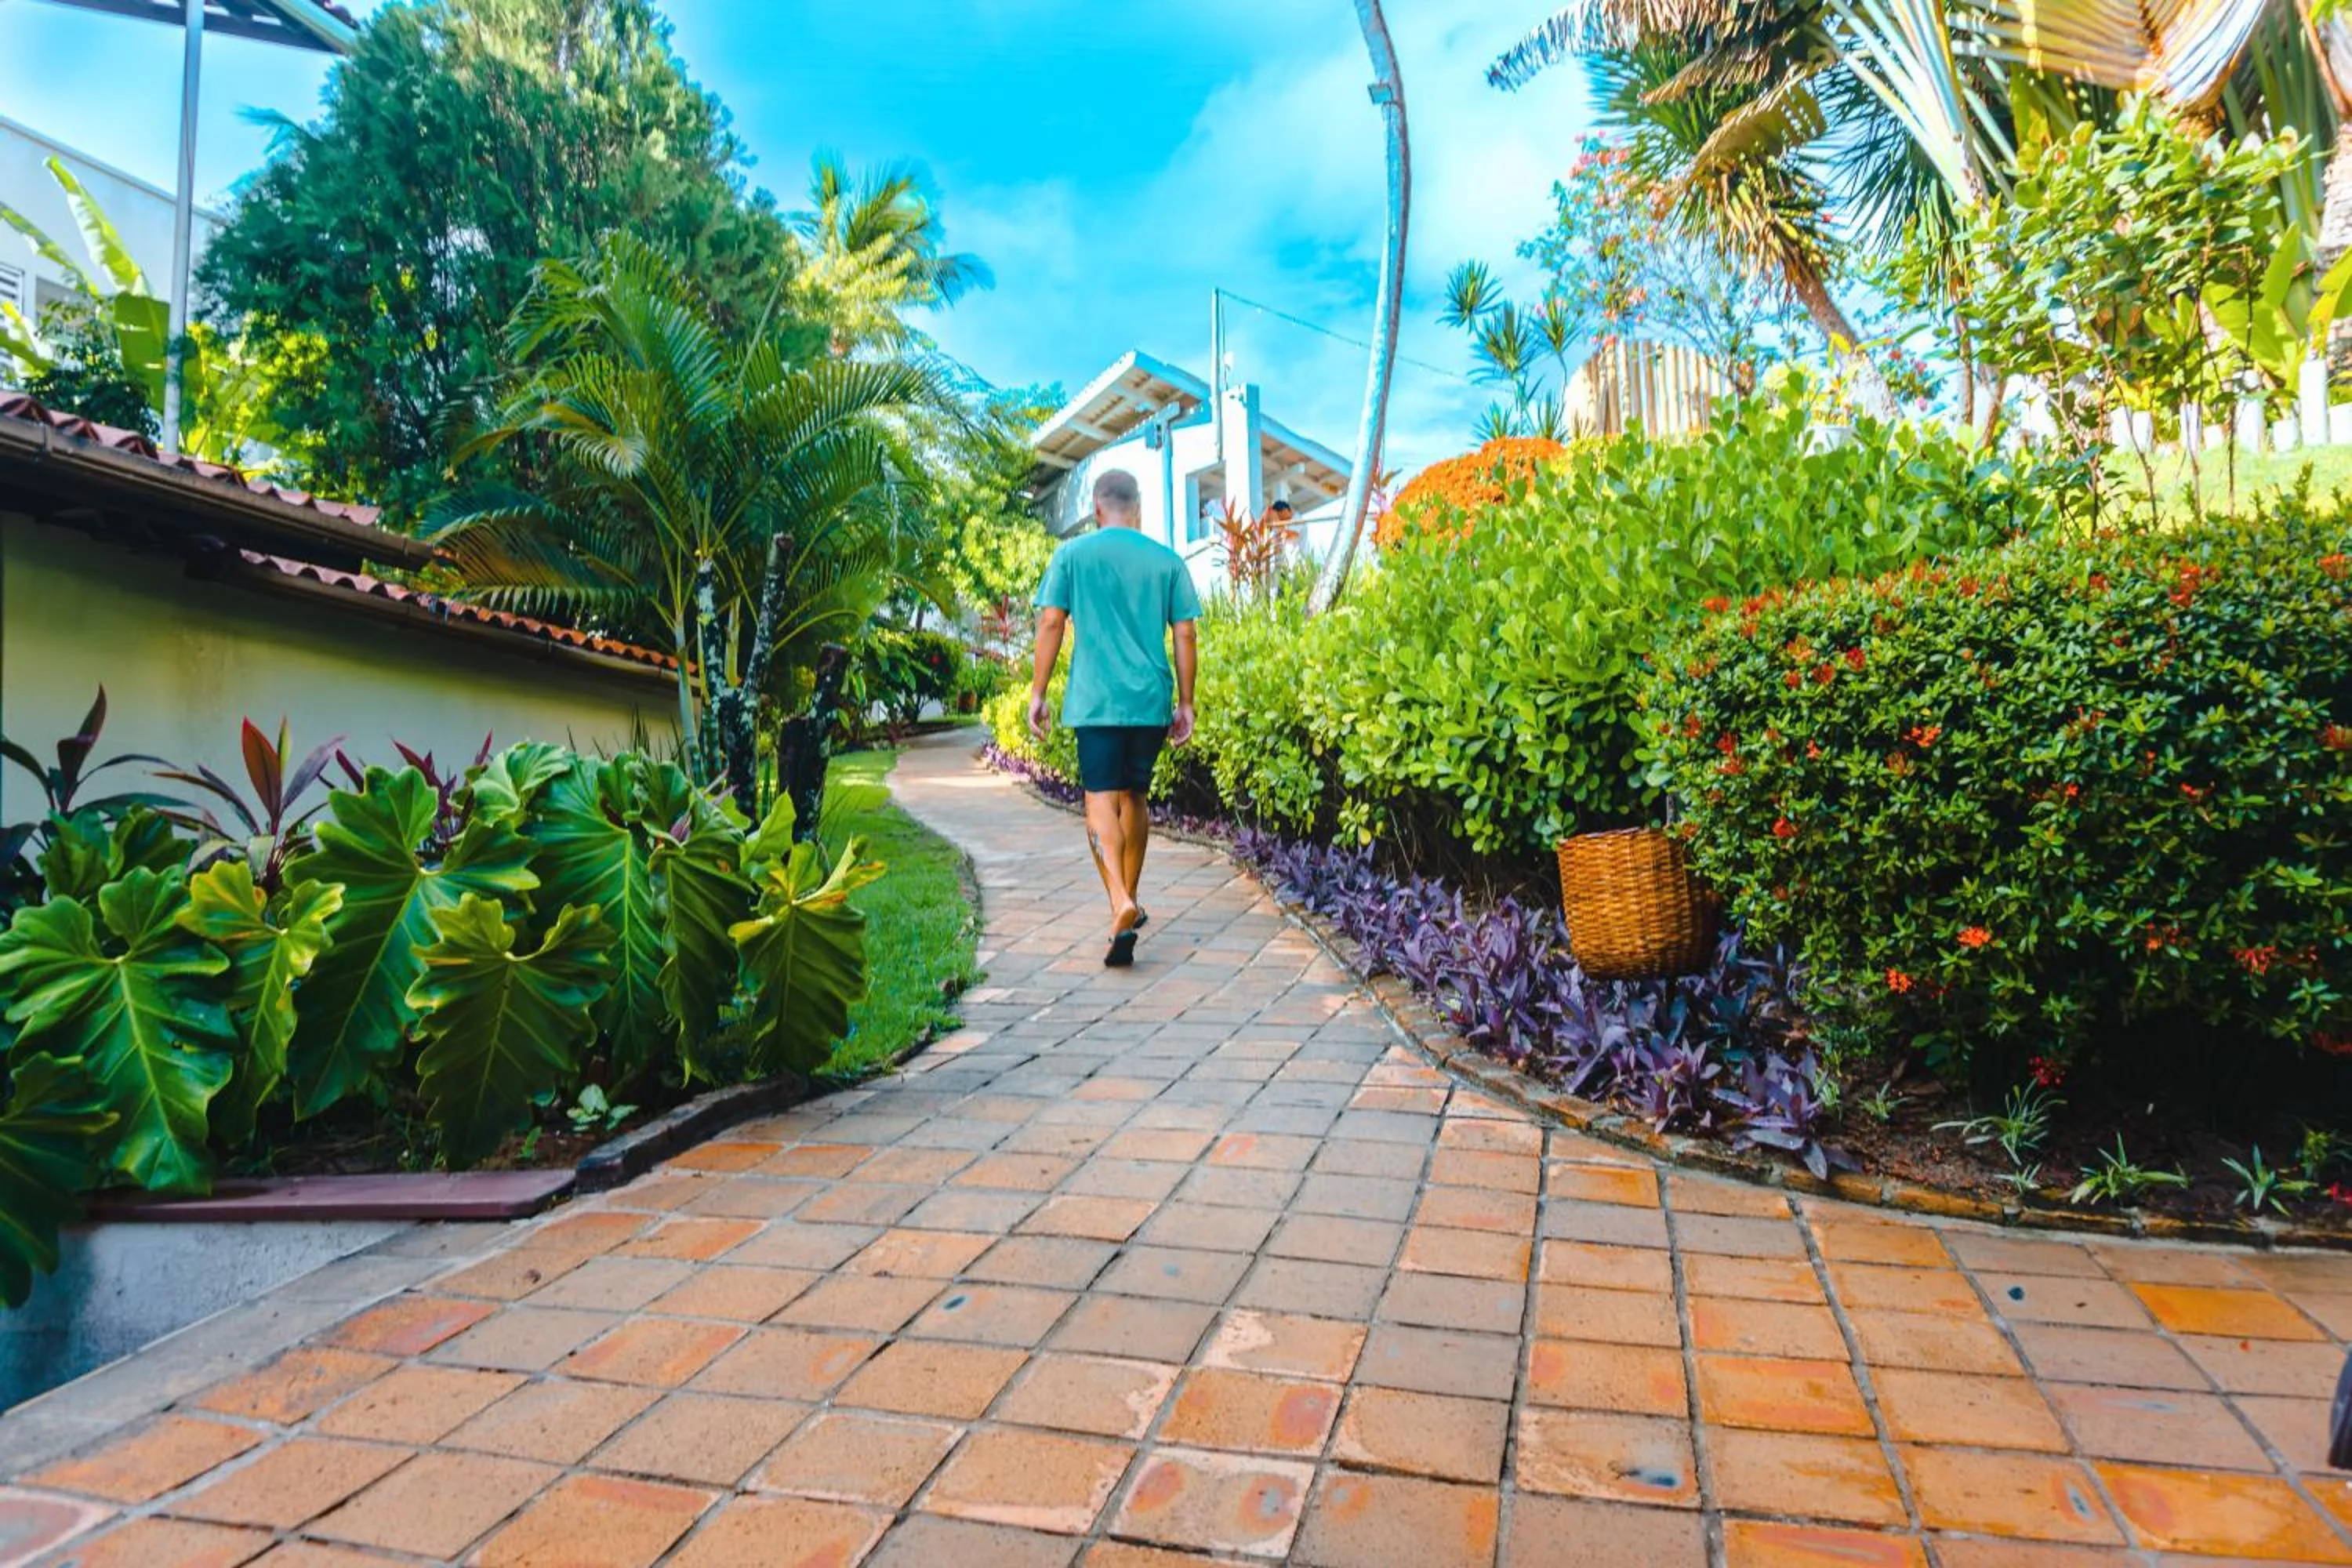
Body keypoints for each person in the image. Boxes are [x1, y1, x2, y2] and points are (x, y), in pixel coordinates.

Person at [1027, 468, 1200, 967]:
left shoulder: (1072, 556)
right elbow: (1185, 634)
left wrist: (1038, 692)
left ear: (1097, 509)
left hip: (1097, 700)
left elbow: (1051, 621)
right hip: (1149, 700)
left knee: (1099, 799)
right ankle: (1131, 899)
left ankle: (1119, 900)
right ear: (1137, 507)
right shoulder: (1167, 562)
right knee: (1135, 797)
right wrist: (1186, 703)